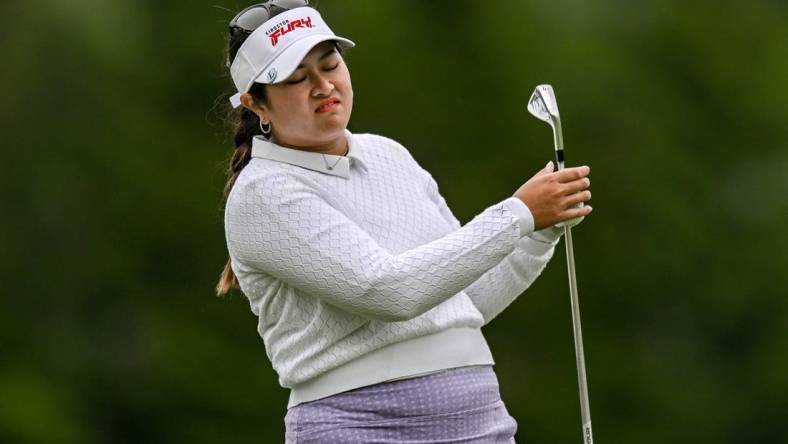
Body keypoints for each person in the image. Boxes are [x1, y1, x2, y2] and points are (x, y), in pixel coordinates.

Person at [216, 1, 593, 442]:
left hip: (480, 419)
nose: (323, 86)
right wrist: (519, 213)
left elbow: (466, 299)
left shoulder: (389, 155)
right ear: (255, 104)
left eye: (330, 64)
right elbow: (388, 291)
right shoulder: (264, 193)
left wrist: (538, 232)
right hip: (359, 425)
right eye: (296, 78)